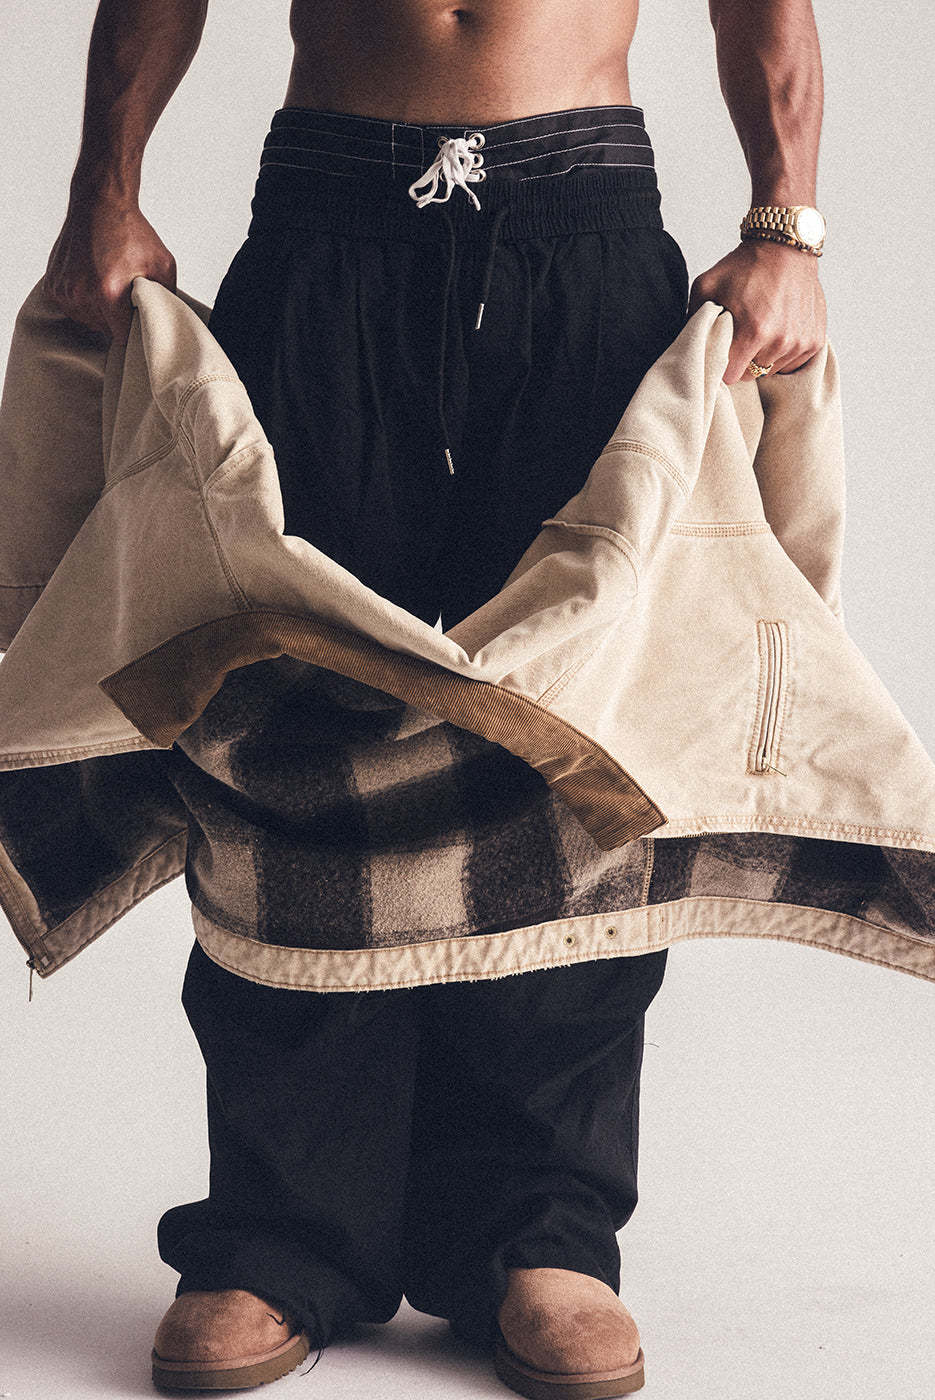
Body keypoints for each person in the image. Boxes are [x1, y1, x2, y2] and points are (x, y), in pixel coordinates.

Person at [42, 1, 827, 1394]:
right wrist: (104, 191)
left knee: (573, 733)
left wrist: (788, 225)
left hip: (582, 211)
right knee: (288, 704)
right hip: (328, 213)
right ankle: (279, 1237)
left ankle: (541, 1234)